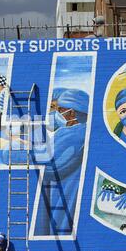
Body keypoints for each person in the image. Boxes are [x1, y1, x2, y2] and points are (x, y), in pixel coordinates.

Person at [33, 88, 89, 236]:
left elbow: (51, 163)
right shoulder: (80, 132)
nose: (57, 113)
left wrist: (21, 152)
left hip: (66, 191)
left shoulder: (73, 134)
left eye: (60, 110)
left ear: (71, 112)